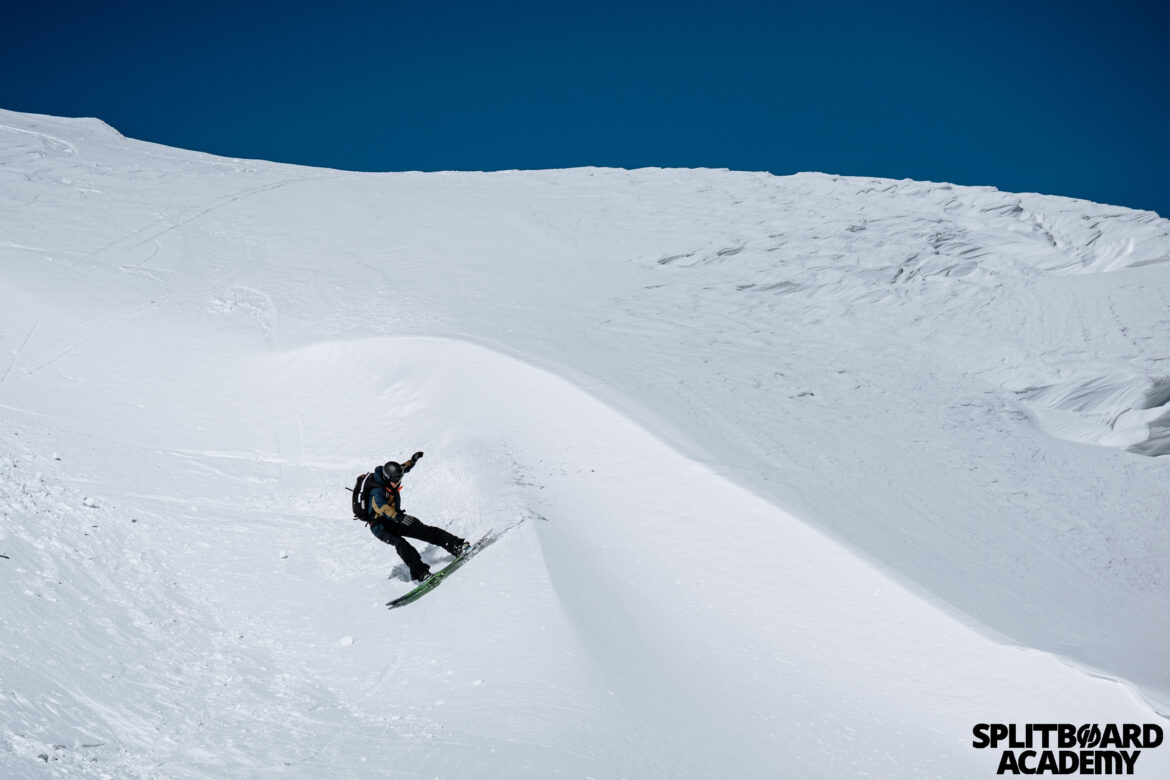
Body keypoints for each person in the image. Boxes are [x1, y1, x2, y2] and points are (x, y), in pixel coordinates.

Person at [356, 451, 468, 581]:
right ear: (387, 478)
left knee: (424, 530)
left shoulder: (392, 476)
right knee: (401, 545)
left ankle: (456, 546)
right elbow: (382, 507)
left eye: (399, 479)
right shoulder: (377, 491)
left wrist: (412, 461)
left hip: (395, 518)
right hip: (380, 526)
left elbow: (403, 468)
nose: (397, 482)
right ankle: (420, 573)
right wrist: (397, 517)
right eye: (395, 480)